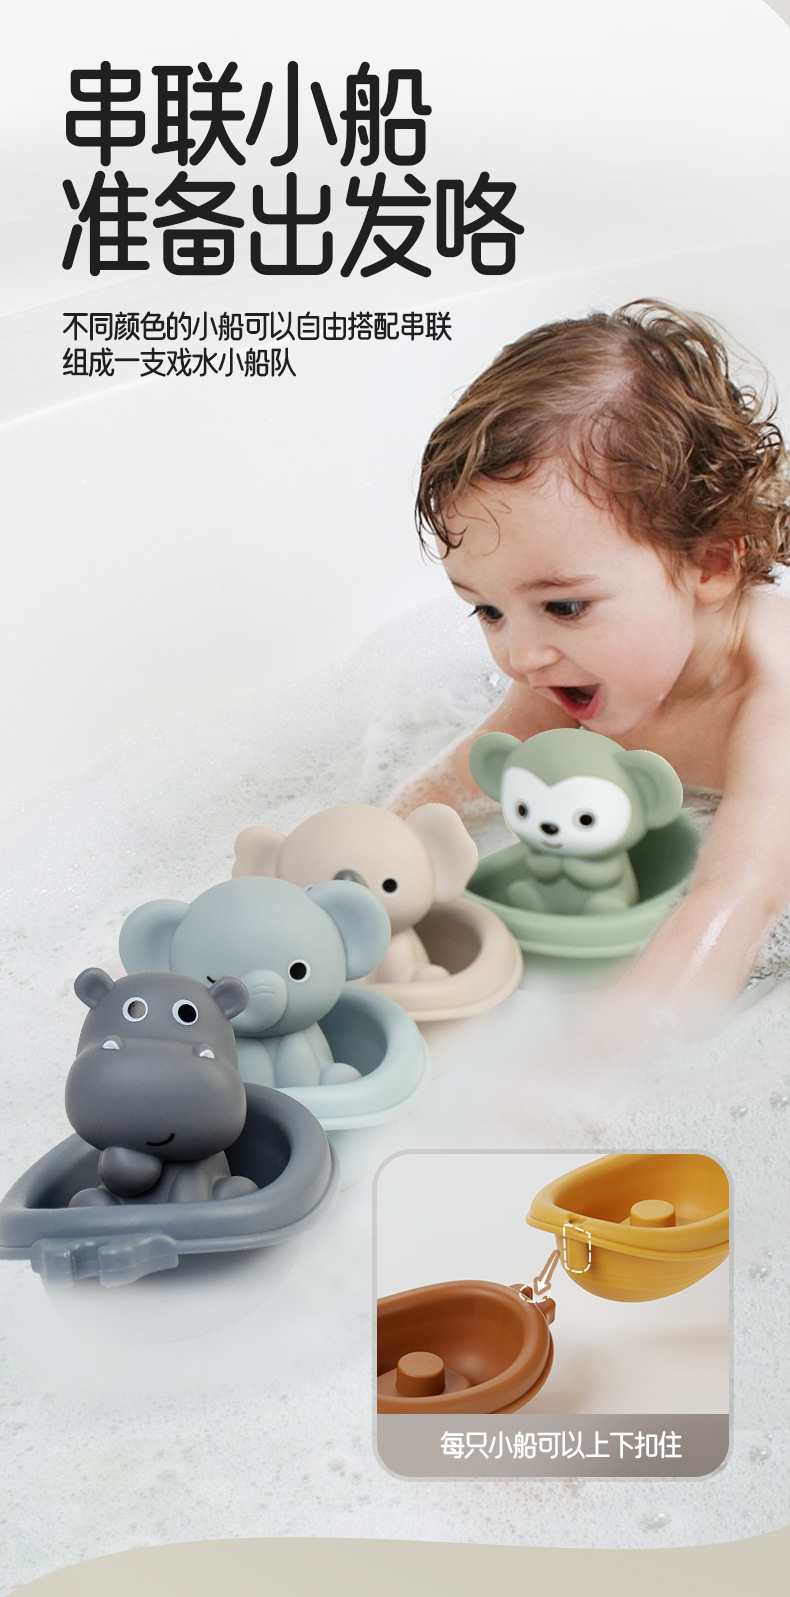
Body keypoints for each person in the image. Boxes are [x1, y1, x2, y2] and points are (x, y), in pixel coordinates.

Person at [389, 301, 790, 1033]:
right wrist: (337, 874)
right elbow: (454, 788)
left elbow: (735, 901)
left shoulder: (770, 704)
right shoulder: (569, 669)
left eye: (565, 606)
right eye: (488, 611)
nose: (521, 656)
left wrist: (600, 1062)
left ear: (710, 563)